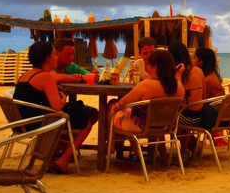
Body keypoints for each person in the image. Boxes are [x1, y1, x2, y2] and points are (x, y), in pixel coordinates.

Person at [13, 41, 96, 174]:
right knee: (87, 119)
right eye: (54, 55)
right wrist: (63, 98)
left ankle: (51, 159)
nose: (56, 57)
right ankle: (64, 160)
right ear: (47, 58)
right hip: (40, 123)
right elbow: (57, 106)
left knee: (80, 112)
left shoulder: (26, 74)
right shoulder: (45, 77)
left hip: (24, 121)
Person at [107, 49, 185, 157]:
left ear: (156, 67)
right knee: (129, 111)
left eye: (148, 65)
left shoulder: (147, 85)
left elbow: (123, 102)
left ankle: (111, 147)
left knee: (112, 104)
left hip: (142, 127)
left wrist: (117, 105)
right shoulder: (179, 86)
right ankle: (140, 153)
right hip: (163, 126)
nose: (147, 68)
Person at [169, 41, 218, 129]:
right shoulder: (198, 71)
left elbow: (173, 99)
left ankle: (160, 143)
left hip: (185, 118)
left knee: (157, 119)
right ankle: (190, 142)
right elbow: (204, 96)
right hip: (200, 117)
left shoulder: (176, 73)